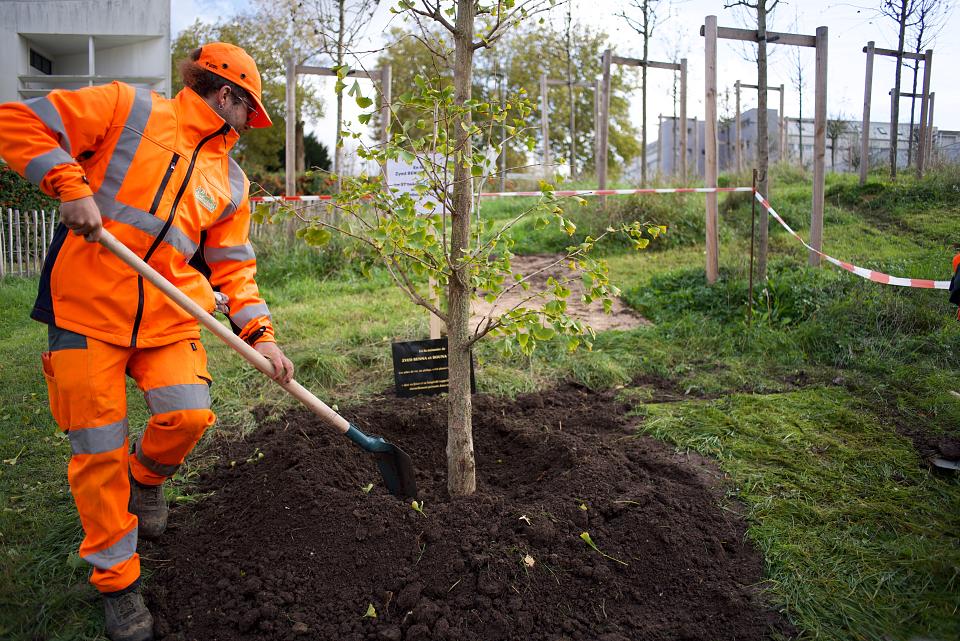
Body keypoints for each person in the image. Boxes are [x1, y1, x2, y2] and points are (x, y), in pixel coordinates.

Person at [0, 43, 294, 641]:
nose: (249, 123)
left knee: (188, 414)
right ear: (227, 94)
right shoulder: (126, 108)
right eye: (249, 109)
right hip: (86, 309)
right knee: (98, 453)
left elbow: (233, 267)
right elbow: (17, 120)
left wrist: (259, 335)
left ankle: (149, 479)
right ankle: (119, 585)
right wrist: (68, 183)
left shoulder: (230, 181)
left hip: (169, 315)